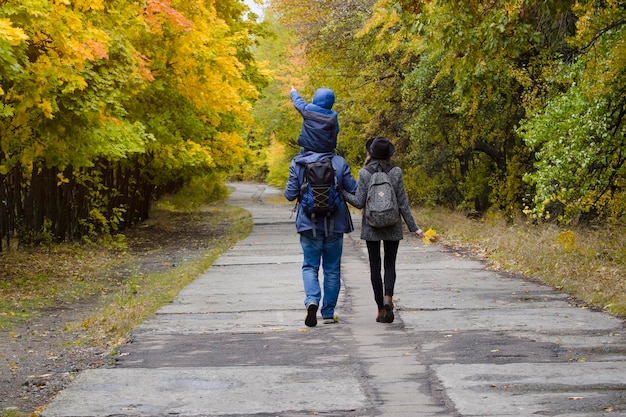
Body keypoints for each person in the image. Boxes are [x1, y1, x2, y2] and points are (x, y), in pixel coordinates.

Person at [285, 86, 357, 327]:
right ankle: (328, 312)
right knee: (332, 269)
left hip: (308, 223)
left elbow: (289, 195)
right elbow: (354, 189)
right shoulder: (339, 162)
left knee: (309, 265)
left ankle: (311, 301)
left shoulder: (298, 163)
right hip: (335, 224)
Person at [343, 136, 425, 323]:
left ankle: (381, 308)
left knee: (374, 267)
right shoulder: (396, 172)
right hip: (392, 223)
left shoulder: (364, 173)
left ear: (370, 153)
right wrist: (415, 228)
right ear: (389, 154)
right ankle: (389, 296)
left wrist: (342, 192)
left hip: (371, 225)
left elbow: (358, 202)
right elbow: (403, 203)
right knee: (389, 264)